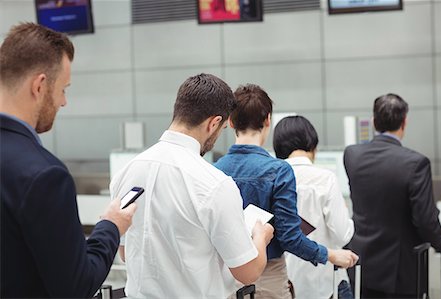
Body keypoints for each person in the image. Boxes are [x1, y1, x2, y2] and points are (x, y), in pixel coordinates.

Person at [0, 23, 137, 298]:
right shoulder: (43, 174)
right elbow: (76, 286)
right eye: (63, 89)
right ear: (39, 86)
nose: (64, 102)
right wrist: (111, 226)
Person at [109, 73, 274, 298]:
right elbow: (248, 272)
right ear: (214, 123)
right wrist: (260, 237)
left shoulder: (125, 173)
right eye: (222, 128)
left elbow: (127, 252)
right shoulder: (214, 184)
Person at [214, 84, 358, 299]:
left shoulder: (214, 170)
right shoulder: (279, 171)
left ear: (231, 121)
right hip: (269, 276)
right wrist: (329, 255)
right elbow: (290, 237)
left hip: (225, 276)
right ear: (267, 120)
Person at [344, 93, 441, 298]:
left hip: (360, 264)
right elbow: (424, 219)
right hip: (399, 271)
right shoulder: (415, 163)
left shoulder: (352, 155)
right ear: (404, 122)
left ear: (374, 122)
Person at [273, 115, 355, 299]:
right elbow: (343, 235)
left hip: (284, 284)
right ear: (312, 145)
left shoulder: (271, 179)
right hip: (325, 283)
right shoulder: (326, 179)